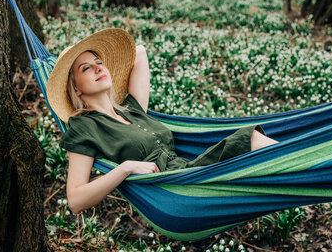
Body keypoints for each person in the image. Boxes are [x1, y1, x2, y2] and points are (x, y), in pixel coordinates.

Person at [47, 28, 278, 214]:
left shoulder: (133, 109)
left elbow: (139, 53)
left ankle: (305, 173)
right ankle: (309, 173)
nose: (98, 68)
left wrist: (111, 71)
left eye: (100, 62)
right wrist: (126, 168)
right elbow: (75, 200)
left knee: (254, 139)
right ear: (76, 88)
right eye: (86, 68)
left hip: (193, 173)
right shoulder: (84, 127)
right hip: (174, 189)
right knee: (250, 138)